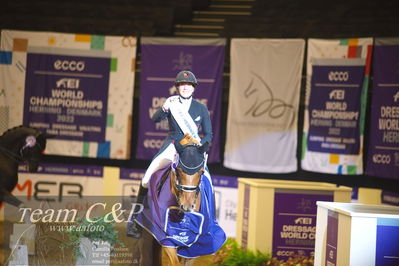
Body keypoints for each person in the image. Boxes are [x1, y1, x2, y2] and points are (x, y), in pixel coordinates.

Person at [127, 70, 212, 238]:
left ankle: (210, 222)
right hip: (173, 146)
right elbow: (155, 119)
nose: (185, 87)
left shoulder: (200, 108)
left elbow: (209, 134)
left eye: (189, 85)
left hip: (193, 150)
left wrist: (200, 147)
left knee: (208, 181)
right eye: (182, 85)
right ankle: (135, 220)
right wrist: (164, 107)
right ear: (177, 88)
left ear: (193, 88)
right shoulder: (172, 104)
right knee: (146, 178)